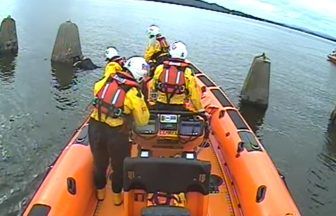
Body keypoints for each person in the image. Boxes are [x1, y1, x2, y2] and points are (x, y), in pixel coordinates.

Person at [88, 56, 150, 205]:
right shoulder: (133, 93)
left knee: (99, 163)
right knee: (119, 167)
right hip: (116, 134)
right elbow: (143, 120)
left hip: (95, 127)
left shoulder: (106, 81)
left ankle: (101, 193)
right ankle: (117, 197)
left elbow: (97, 92)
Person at [149, 41, 204, 113]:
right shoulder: (187, 72)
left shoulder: (160, 68)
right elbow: (194, 94)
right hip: (179, 107)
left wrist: (153, 102)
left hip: (160, 105)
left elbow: (153, 87)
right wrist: (200, 110)